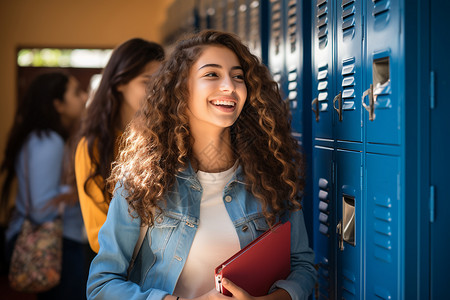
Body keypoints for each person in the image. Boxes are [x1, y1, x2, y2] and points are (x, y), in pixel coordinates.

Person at [87, 30, 317, 300]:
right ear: (181, 88)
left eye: (238, 76)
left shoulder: (272, 176)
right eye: (212, 74)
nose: (229, 86)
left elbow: (302, 267)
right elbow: (101, 286)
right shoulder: (142, 183)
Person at [0, 72, 88, 299]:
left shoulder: (47, 138)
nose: (84, 97)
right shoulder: (48, 141)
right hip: (56, 242)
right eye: (76, 92)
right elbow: (41, 208)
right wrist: (79, 190)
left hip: (58, 241)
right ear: (58, 104)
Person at [74, 38, 165, 253]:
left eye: (161, 82)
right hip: (125, 270)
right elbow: (98, 235)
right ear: (120, 82)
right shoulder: (94, 146)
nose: (157, 91)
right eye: (147, 82)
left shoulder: (165, 137)